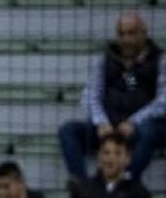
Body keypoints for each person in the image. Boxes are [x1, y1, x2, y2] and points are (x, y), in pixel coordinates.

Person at [58, 12, 166, 184]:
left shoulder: (160, 60)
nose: (126, 39)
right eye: (122, 34)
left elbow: (163, 101)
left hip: (139, 129)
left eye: (131, 33)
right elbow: (91, 94)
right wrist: (101, 122)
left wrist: (134, 122)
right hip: (110, 127)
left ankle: (124, 184)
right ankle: (84, 187)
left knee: (150, 131)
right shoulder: (106, 59)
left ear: (144, 33)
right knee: (68, 131)